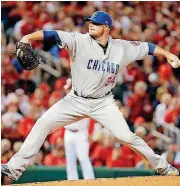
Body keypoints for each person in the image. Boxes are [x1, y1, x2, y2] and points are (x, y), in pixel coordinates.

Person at [2, 11, 180, 181]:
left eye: (96, 23)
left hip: (103, 103)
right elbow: (51, 35)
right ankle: (14, 167)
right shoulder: (78, 40)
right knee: (43, 123)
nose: (91, 25)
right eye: (90, 22)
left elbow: (147, 47)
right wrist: (28, 38)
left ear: (106, 28)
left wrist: (168, 54)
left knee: (127, 137)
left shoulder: (121, 48)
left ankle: (163, 166)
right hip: (76, 99)